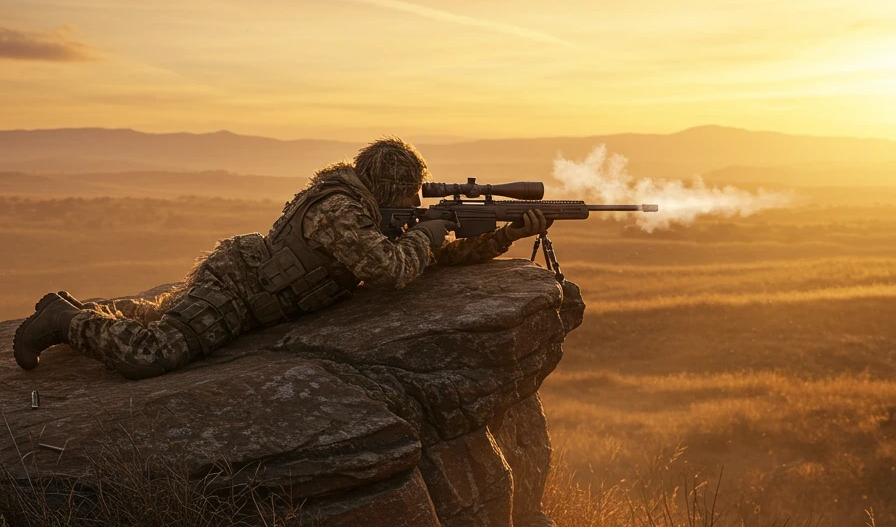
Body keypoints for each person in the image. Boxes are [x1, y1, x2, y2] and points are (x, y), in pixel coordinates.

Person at [13, 136, 548, 380]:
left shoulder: (360, 208)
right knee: (152, 354)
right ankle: (63, 320)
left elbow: (427, 257)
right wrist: (429, 233)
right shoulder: (340, 210)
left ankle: (76, 308)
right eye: (408, 195)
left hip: (251, 294)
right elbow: (393, 269)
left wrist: (499, 238)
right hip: (240, 292)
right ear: (387, 187)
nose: (414, 205)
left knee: (155, 315)